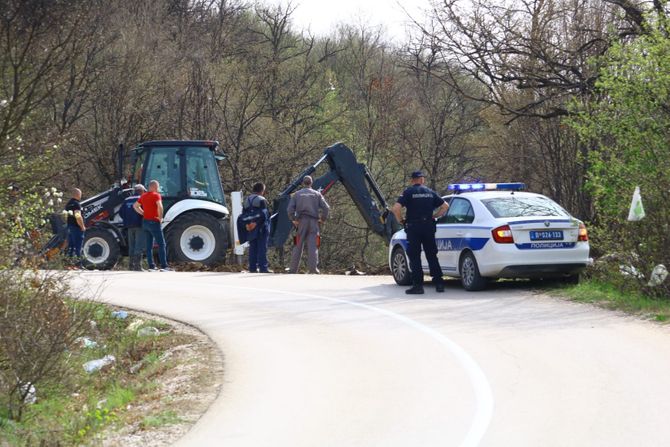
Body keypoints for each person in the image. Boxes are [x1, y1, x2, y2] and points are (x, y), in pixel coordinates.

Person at [392, 171, 450, 294]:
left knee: (415, 257)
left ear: (412, 180)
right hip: (428, 227)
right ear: (422, 180)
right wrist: (435, 216)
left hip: (414, 228)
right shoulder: (430, 192)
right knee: (431, 255)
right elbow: (445, 206)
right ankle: (439, 284)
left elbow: (396, 208)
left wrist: (401, 220)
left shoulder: (408, 192)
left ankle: (418, 286)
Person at [287, 175, 330, 274]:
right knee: (313, 245)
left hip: (300, 222)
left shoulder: (297, 194)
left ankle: (293, 270)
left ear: (303, 183)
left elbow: (289, 209)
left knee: (297, 244)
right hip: (314, 222)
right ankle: (313, 269)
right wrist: (322, 219)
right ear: (311, 183)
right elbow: (326, 208)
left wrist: (293, 219)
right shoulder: (317, 194)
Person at [133, 180, 172, 272]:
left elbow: (135, 206)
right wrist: (160, 217)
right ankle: (164, 266)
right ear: (154, 187)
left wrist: (143, 213)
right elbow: (160, 206)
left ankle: (151, 266)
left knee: (149, 246)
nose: (158, 189)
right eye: (158, 187)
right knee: (161, 244)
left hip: (145, 222)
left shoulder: (143, 196)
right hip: (154, 222)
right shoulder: (156, 195)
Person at [244, 182, 271, 273]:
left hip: (250, 227)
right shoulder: (261, 200)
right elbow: (265, 214)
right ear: (261, 190)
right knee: (262, 247)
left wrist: (248, 225)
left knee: (252, 247)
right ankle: (263, 268)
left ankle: (252, 268)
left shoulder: (247, 200)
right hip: (261, 227)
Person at [120, 184, 146, 271]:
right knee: (139, 245)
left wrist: (127, 220)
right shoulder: (142, 199)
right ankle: (138, 266)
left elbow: (121, 213)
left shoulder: (126, 200)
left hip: (129, 226)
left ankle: (131, 266)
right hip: (139, 225)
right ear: (141, 191)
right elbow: (145, 212)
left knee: (131, 245)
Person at [64, 188, 86, 268]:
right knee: (78, 246)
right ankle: (78, 264)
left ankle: (68, 264)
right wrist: (82, 226)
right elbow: (78, 216)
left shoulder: (68, 204)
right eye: (80, 194)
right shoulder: (77, 204)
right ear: (78, 194)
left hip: (70, 227)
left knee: (71, 246)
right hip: (77, 228)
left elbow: (65, 216)